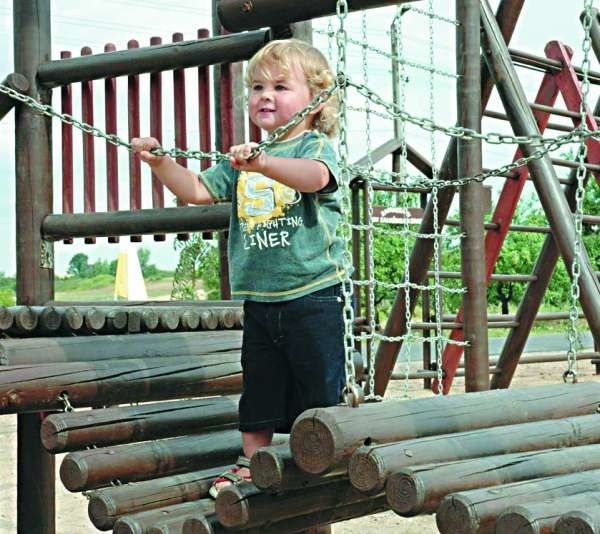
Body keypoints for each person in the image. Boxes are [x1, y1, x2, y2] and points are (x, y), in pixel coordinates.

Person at [131, 38, 348, 497]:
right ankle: (251, 461)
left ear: (317, 101)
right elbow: (195, 189)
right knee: (260, 385)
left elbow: (315, 178)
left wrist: (265, 163)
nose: (265, 95)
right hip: (261, 300)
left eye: (280, 86)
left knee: (319, 384)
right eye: (257, 87)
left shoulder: (314, 147)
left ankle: (326, 455)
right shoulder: (243, 159)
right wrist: (161, 163)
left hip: (314, 293)